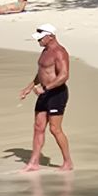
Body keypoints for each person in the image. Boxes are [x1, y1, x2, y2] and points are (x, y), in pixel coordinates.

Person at [19, 24, 73, 172]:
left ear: (51, 36)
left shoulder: (60, 52)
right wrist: (29, 87)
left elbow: (64, 75)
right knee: (38, 127)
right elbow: (42, 72)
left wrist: (46, 88)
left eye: (41, 39)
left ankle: (68, 162)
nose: (39, 42)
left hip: (56, 93)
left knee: (55, 129)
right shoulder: (45, 51)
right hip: (43, 93)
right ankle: (34, 163)